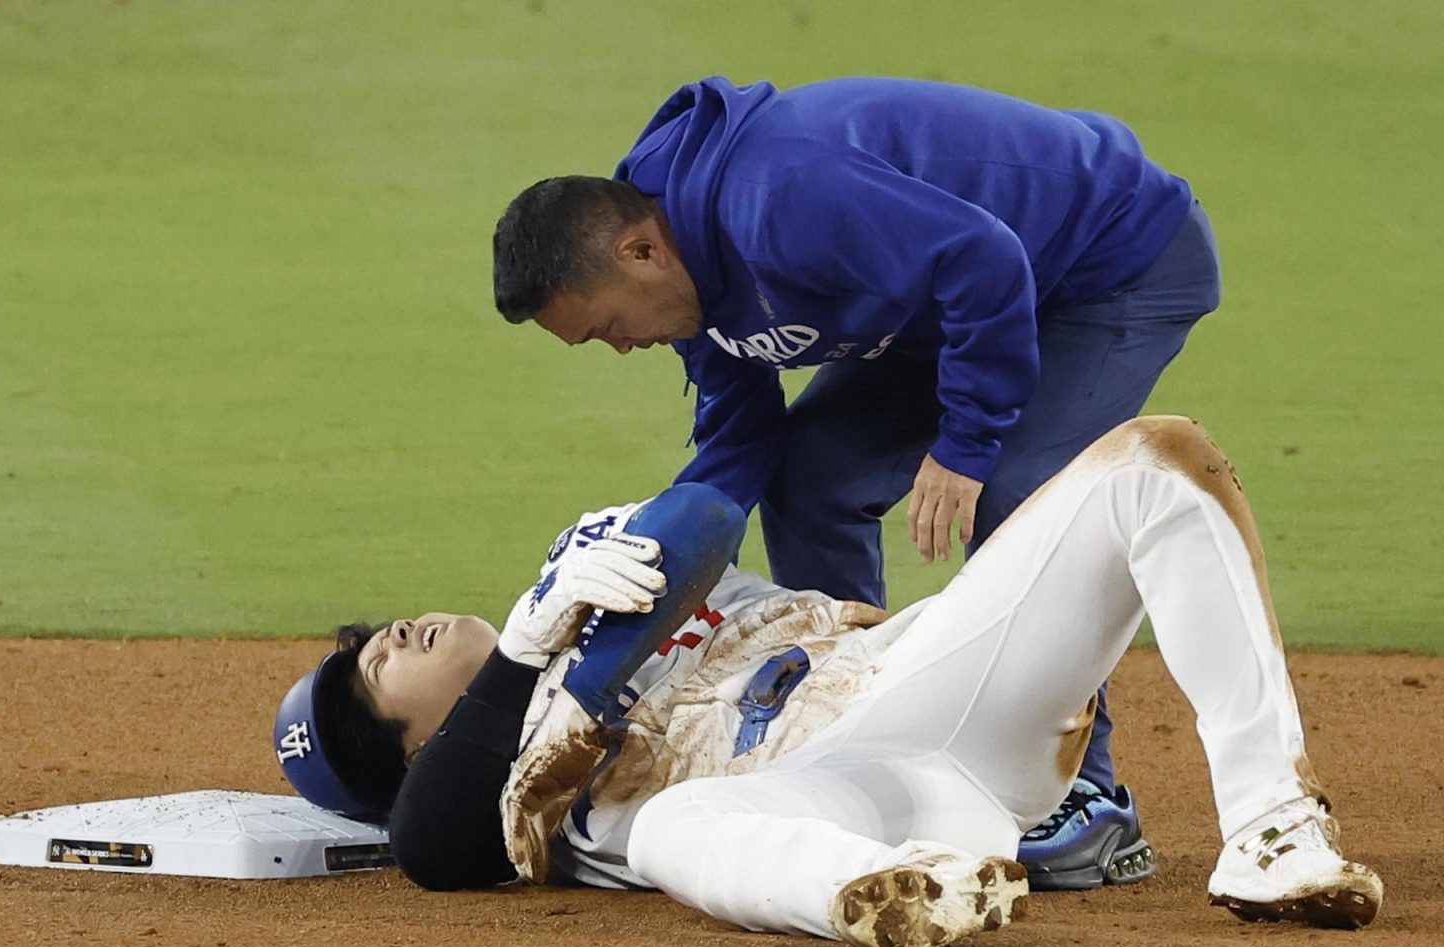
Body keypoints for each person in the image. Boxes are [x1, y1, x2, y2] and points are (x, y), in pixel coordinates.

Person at [273, 417, 1381, 947]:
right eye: (380, 668)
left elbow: (703, 515)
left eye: (377, 636)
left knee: (1155, 459)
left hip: (927, 683)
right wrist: (519, 669)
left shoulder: (585, 570)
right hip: (828, 808)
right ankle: (897, 891)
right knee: (671, 828)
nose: (395, 632)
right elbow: (430, 852)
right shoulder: (492, 797)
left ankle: (1276, 832)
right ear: (415, 749)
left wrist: (576, 641)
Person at [491, 76, 1224, 888]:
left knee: (1018, 491)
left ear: (639, 252)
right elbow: (740, 449)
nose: (621, 348)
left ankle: (1085, 797)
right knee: (809, 479)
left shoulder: (780, 197)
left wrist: (967, 442)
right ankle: (845, 734)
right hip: (945, 306)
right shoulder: (685, 284)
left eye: (607, 328)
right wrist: (661, 552)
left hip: (1106, 262)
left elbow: (985, 259)